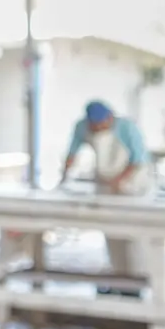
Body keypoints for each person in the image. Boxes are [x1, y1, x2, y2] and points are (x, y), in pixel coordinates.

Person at [61, 100, 153, 279]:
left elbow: (138, 159)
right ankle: (119, 275)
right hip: (106, 185)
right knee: (112, 232)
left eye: (101, 123)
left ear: (110, 117)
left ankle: (139, 278)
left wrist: (119, 181)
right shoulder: (82, 128)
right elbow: (72, 153)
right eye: (94, 125)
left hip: (134, 185)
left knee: (134, 236)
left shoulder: (128, 128)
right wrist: (64, 177)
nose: (98, 127)